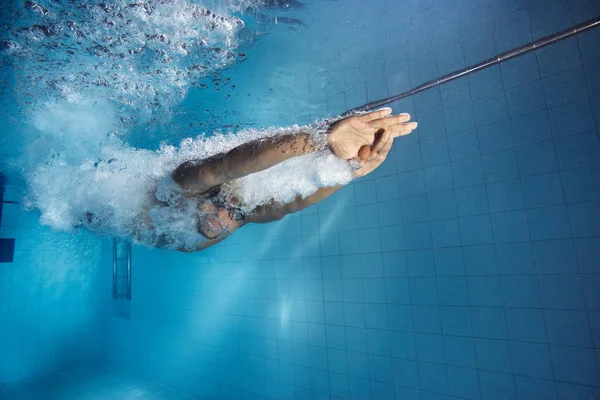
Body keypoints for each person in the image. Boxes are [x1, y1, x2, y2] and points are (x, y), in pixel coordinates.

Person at [157, 108, 417, 252]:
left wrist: (319, 142)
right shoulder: (197, 211)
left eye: (220, 213)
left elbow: (221, 169)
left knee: (213, 174)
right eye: (226, 219)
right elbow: (288, 206)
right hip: (177, 225)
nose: (225, 215)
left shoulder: (179, 187)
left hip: (189, 201)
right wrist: (348, 170)